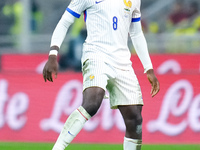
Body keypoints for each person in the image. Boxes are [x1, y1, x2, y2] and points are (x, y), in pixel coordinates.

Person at [43, 0, 160, 150]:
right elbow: (65, 21)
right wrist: (53, 54)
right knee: (92, 102)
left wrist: (148, 68)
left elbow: (136, 33)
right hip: (96, 54)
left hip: (122, 61)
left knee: (135, 118)